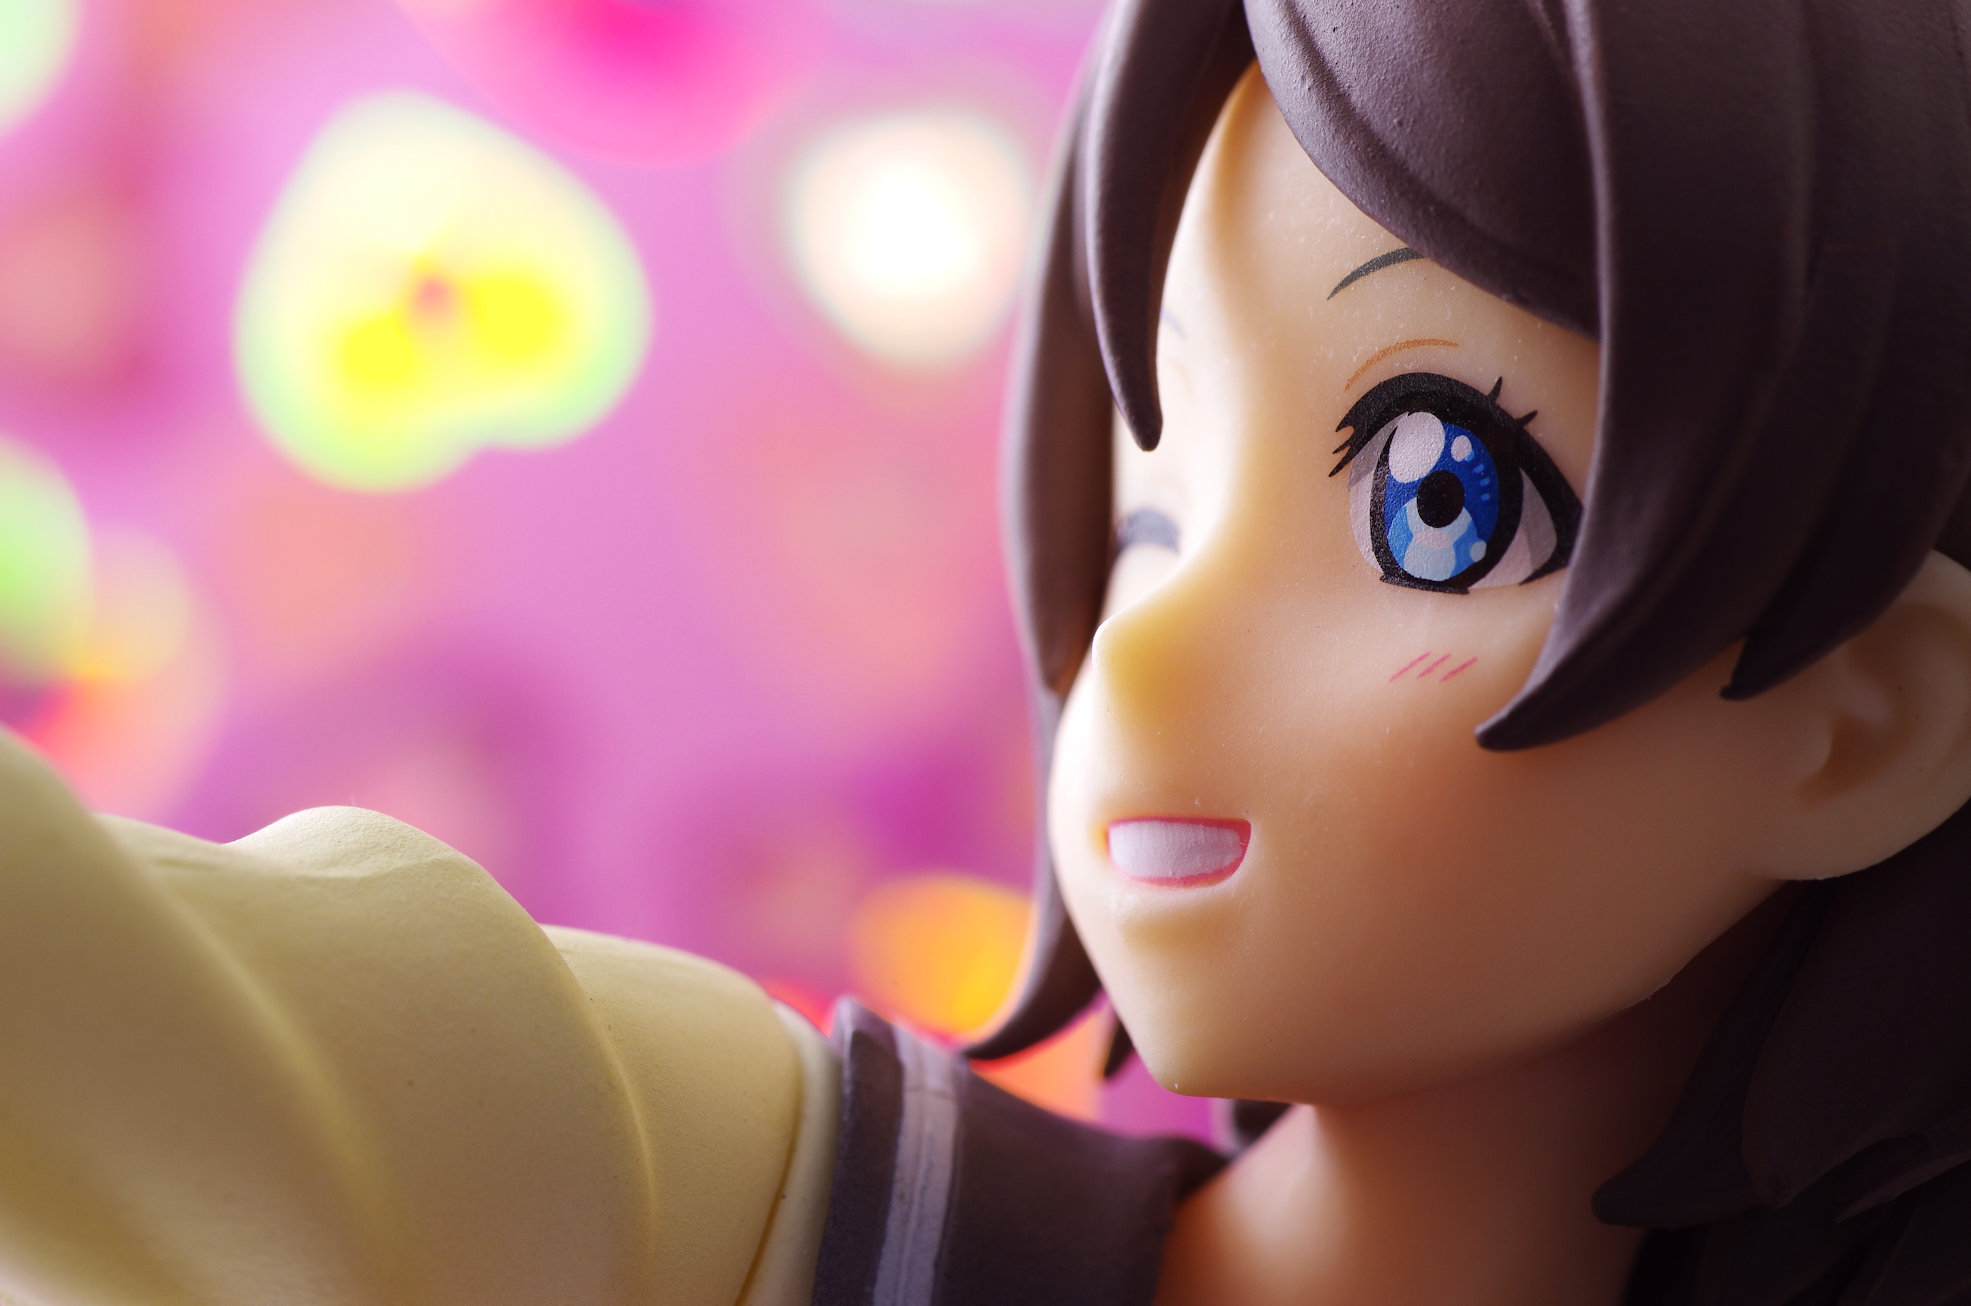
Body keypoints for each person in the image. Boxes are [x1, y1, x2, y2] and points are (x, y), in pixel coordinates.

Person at [5, 1, 1971, 1303]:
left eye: (1431, 499)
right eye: (1147, 508)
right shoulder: (703, 1196)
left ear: (1860, 726)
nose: (1145, 662)